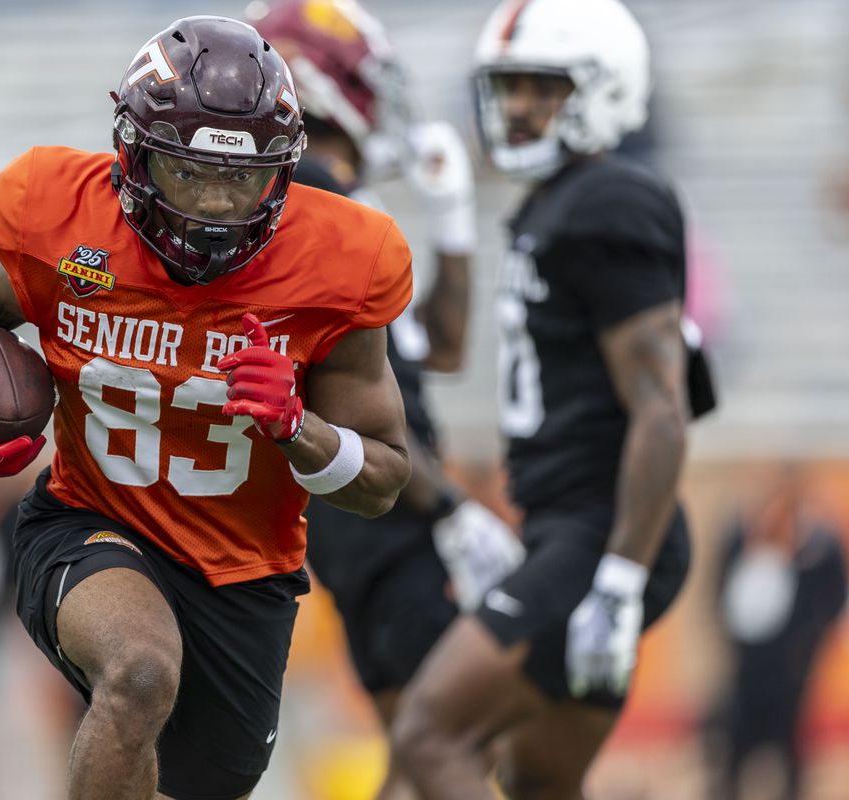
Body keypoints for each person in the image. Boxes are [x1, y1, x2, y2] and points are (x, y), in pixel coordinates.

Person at [0, 15, 413, 800]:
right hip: (88, 521)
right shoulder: (63, 222)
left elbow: (385, 479)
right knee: (138, 670)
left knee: (203, 781)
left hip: (244, 572)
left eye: (241, 178)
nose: (216, 205)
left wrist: (300, 429)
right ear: (133, 154)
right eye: (188, 173)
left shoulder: (341, 262)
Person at [390, 0, 713, 797]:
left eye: (544, 86)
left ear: (602, 88)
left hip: (602, 534)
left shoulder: (611, 199)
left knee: (430, 736)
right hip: (573, 530)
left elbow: (664, 406)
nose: (521, 107)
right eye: (511, 88)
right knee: (540, 782)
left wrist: (618, 580)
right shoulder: (557, 203)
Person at [246, 3, 523, 797]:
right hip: (383, 512)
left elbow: (435, 351)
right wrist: (451, 512)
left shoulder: (317, 207)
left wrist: (456, 223)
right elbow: (353, 418)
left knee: (426, 747)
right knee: (450, 744)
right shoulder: (318, 204)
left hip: (374, 505)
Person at [706, 467, 846, 800]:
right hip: (749, 661)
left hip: (791, 663)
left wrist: (810, 640)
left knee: (790, 743)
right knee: (736, 740)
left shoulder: (816, 549)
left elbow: (832, 595)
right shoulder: (742, 540)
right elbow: (720, 589)